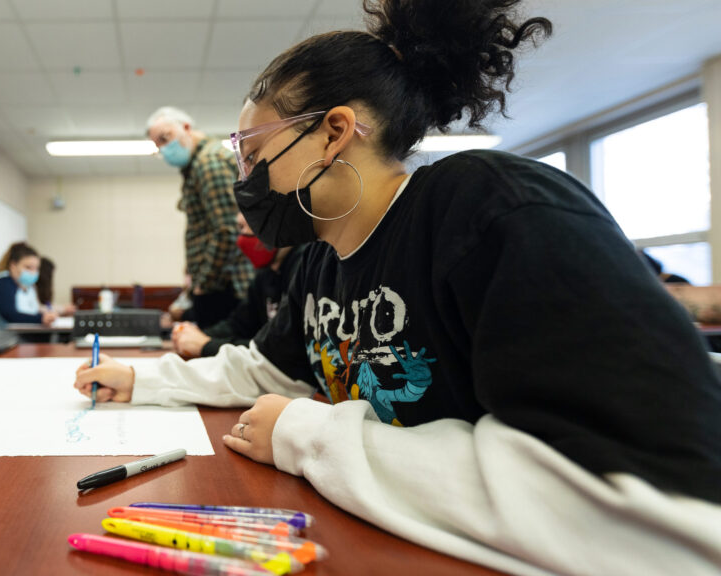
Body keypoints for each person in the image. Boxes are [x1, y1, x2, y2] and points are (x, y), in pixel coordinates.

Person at [75, 1, 721, 574]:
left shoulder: (492, 209)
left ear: (332, 131)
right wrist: (147, 380)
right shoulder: (319, 261)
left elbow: (632, 513)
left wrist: (310, 435)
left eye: (251, 152)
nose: (246, 180)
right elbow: (268, 370)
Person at [146, 106, 254, 328]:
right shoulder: (198, 165)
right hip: (223, 284)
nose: (165, 149)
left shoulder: (208, 163)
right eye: (158, 146)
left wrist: (202, 285)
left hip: (225, 288)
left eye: (165, 138)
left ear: (186, 128)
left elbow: (226, 230)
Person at [172, 213, 307, 359]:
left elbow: (282, 350)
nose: (242, 237)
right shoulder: (265, 274)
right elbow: (239, 324)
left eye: (249, 225)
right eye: (240, 227)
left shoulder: (303, 266)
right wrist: (195, 334)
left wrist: (206, 345)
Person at [0, 242, 57, 327]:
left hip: (15, 333)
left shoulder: (27, 287)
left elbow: (34, 310)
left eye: (36, 268)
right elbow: (10, 315)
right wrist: (40, 319)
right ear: (13, 266)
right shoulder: (4, 283)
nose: (33, 272)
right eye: (28, 267)